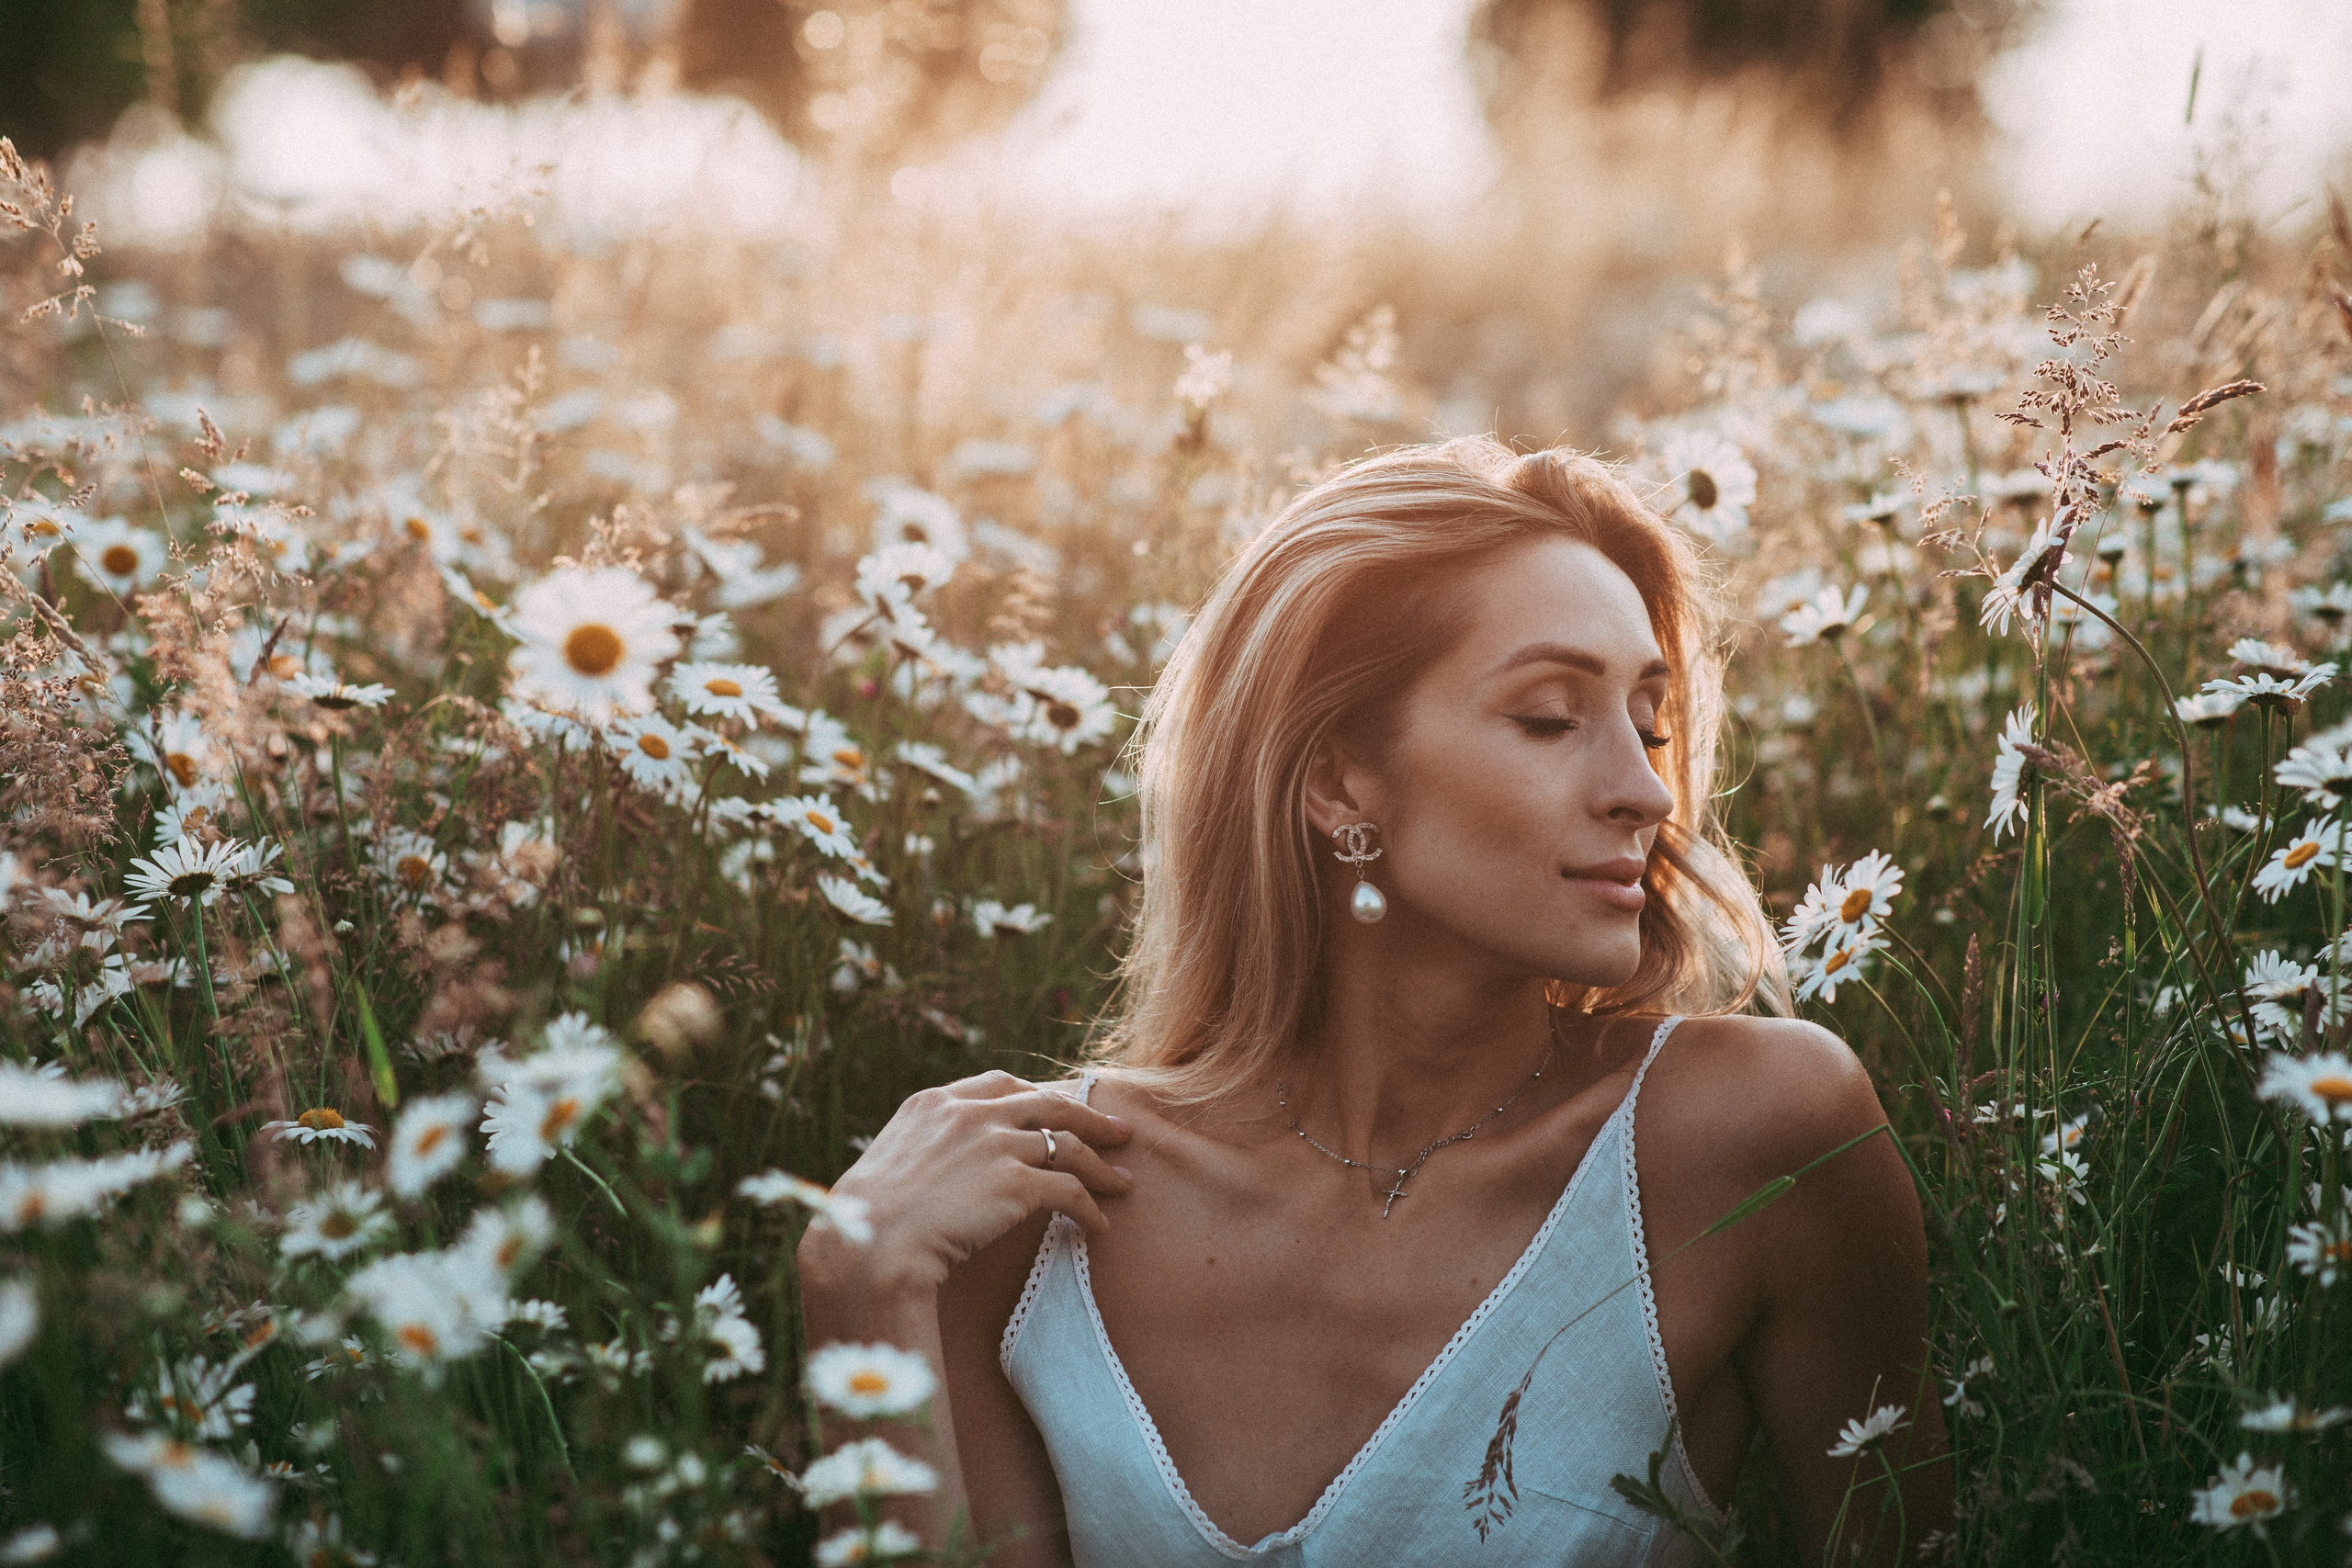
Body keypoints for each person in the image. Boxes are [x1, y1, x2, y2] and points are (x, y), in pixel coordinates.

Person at [797, 437, 1951, 1565]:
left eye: (1649, 723)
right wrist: (855, 1294)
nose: (1644, 788)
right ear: (1339, 777)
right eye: (1551, 717)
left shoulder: (1753, 1137)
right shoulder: (1032, 1210)